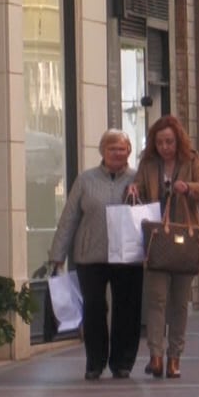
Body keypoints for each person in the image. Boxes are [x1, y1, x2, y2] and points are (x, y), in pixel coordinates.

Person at [50, 130, 144, 381]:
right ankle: (95, 361)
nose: (117, 153)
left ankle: (123, 362)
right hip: (90, 255)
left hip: (128, 256)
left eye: (122, 148)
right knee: (93, 309)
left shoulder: (138, 179)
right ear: (102, 151)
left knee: (127, 309)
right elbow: (69, 217)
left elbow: (148, 216)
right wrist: (58, 253)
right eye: (112, 148)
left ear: (129, 151)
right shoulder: (85, 180)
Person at [134, 115, 199, 380]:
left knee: (179, 303)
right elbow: (142, 194)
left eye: (169, 141)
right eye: (159, 142)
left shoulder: (193, 160)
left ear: (178, 140)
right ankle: (156, 356)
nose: (164, 147)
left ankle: (175, 358)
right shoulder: (147, 164)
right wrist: (135, 188)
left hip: (185, 240)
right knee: (156, 300)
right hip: (157, 240)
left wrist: (187, 187)